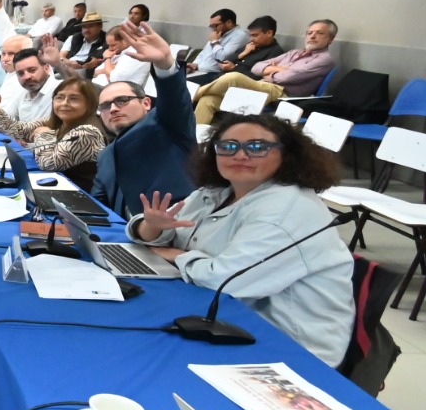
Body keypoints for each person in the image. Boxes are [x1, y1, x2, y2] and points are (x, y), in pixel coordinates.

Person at [129, 114, 353, 366]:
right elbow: (172, 230)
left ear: (287, 154)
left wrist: (179, 256)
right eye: (228, 146)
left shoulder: (287, 211)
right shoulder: (218, 192)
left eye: (257, 147)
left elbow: (225, 281)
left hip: (285, 348)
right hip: (222, 315)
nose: (240, 155)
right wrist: (151, 228)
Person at [88, 22, 195, 219]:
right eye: (105, 106)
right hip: (124, 232)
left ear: (146, 103)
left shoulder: (167, 125)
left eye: (122, 100)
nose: (113, 108)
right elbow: (97, 207)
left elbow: (175, 98)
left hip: (177, 227)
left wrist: (164, 64)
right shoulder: (106, 156)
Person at [193, 19, 339, 124]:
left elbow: (288, 77)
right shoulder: (293, 53)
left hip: (282, 94)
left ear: (330, 39)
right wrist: (279, 69)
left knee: (233, 77)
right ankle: (194, 143)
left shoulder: (325, 60)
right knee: (209, 100)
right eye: (309, 33)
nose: (312, 36)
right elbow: (257, 67)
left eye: (319, 33)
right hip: (262, 87)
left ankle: (189, 97)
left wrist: (271, 71)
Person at [0, 76, 106, 191]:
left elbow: (48, 164)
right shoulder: (58, 121)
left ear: (90, 104)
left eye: (74, 99)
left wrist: (44, 134)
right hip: (55, 187)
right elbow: (19, 130)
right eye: (60, 97)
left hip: (78, 196)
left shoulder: (88, 132)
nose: (65, 103)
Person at [186, 8, 249, 84]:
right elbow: (204, 53)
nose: (213, 29)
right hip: (199, 71)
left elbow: (223, 57)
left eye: (215, 25)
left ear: (229, 22)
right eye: (211, 26)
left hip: (215, 74)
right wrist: (195, 64)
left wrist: (214, 42)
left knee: (183, 83)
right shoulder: (218, 33)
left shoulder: (240, 36)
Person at [218, 15, 285, 81]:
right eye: (250, 35)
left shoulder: (275, 52)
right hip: (222, 78)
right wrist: (242, 54)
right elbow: (226, 61)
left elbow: (259, 77)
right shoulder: (251, 45)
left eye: (255, 35)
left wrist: (234, 68)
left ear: (269, 33)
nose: (251, 39)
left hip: (237, 83)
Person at [0, 46, 57, 123]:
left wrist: (59, 64)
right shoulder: (23, 93)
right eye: (20, 73)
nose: (27, 77)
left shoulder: (60, 89)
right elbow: (4, 122)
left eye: (32, 70)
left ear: (47, 68)